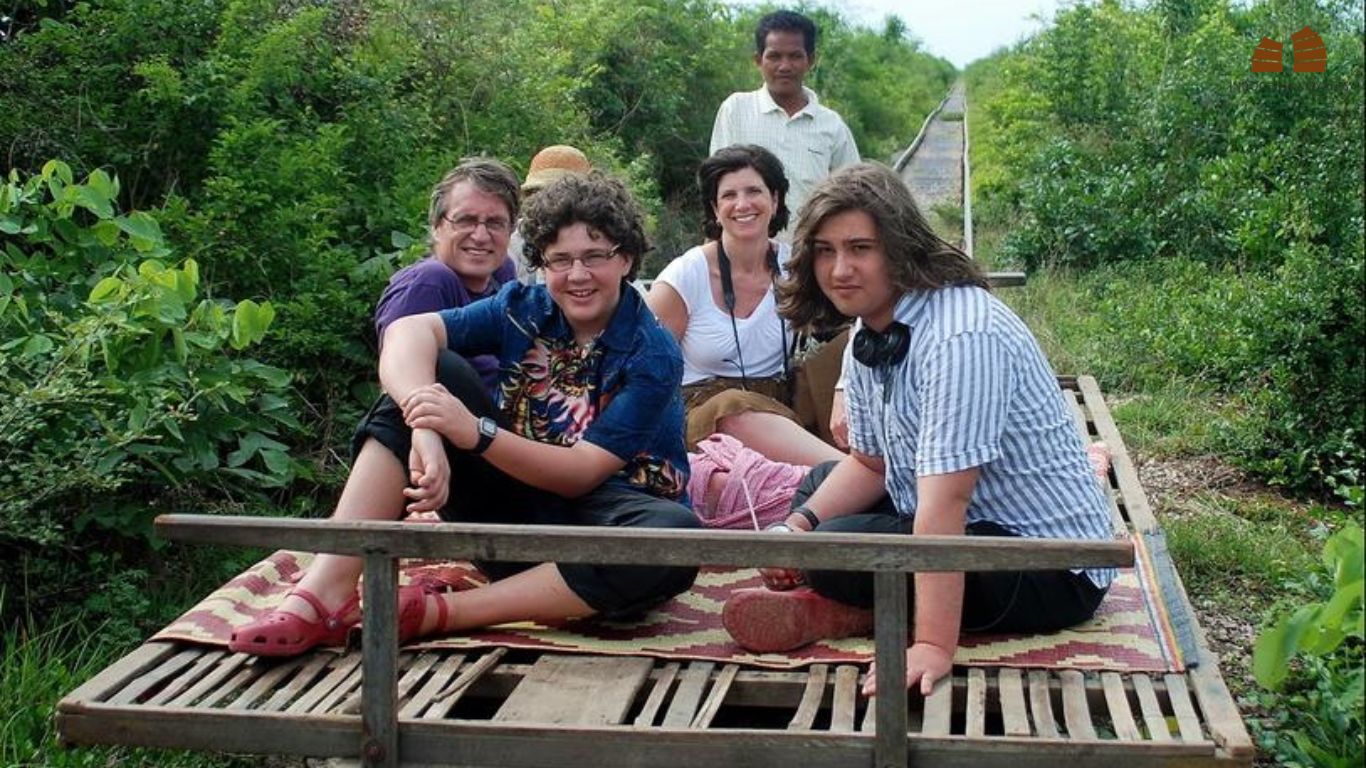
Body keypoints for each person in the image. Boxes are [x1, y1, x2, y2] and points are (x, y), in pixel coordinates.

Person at [229, 172, 699, 656]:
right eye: (560, 260)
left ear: (625, 258)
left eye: (594, 257)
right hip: (514, 516)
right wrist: (426, 425)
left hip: (604, 534)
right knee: (435, 374)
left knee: (675, 537)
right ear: (542, 264)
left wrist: (474, 433)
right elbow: (409, 332)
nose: (577, 275)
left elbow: (580, 474)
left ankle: (439, 614)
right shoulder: (523, 306)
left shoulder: (652, 352)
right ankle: (323, 593)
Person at [721, 164, 1115, 699]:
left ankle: (861, 612)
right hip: (953, 518)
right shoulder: (872, 323)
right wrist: (791, 531)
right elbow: (870, 463)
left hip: (1046, 562)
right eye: (825, 250)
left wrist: (932, 646)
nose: (840, 269)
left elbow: (945, 505)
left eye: (860, 248)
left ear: (900, 248)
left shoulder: (959, 336)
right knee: (818, 492)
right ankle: (854, 595)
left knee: (835, 548)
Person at [647, 145, 843, 467]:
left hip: (780, 400)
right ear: (714, 207)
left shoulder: (795, 266)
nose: (742, 204)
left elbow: (855, 318)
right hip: (706, 412)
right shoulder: (685, 276)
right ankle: (852, 476)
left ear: (775, 200)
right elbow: (645, 368)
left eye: (754, 191)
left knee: (847, 346)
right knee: (734, 406)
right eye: (728, 195)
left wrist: (843, 386)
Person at [374, 157, 520, 393]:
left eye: (495, 223)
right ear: (436, 226)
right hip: (451, 426)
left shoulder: (502, 273)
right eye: (466, 221)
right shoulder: (429, 282)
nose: (481, 236)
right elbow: (400, 390)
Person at [709, 10, 859, 236]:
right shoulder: (736, 110)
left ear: (811, 60)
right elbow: (716, 186)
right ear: (758, 60)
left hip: (809, 256)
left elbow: (854, 196)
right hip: (745, 256)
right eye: (774, 56)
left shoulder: (832, 126)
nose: (785, 66)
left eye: (795, 56)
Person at [508, 144, 592, 284]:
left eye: (561, 196)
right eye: (540, 194)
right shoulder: (513, 240)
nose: (549, 204)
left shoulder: (601, 239)